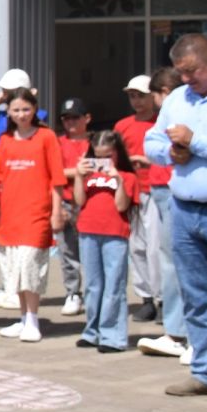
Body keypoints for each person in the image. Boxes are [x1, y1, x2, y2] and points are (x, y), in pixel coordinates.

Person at [146, 33, 207, 403]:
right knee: (196, 298)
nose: (186, 80)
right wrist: (173, 152)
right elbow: (151, 143)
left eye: (192, 72)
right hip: (185, 208)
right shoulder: (176, 98)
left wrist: (196, 142)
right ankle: (206, 373)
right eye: (181, 73)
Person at [0, 89, 65, 342]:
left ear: (35, 109)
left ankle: (33, 318)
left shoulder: (47, 137)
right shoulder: (5, 139)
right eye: (16, 110)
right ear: (9, 112)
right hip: (10, 214)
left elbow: (57, 178)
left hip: (37, 212)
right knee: (14, 269)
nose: (21, 115)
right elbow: (0, 178)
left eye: (26, 109)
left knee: (31, 267)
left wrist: (57, 211)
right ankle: (22, 318)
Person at [133, 68, 190, 359]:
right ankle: (177, 332)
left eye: (154, 96)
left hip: (174, 191)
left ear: (164, 93)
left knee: (181, 263)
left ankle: (185, 335)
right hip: (161, 189)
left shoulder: (183, 112)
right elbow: (152, 144)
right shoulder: (169, 116)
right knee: (168, 260)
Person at [72, 130, 136, 353]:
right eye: (98, 156)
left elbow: (121, 206)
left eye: (107, 155)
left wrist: (118, 179)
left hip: (115, 233)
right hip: (88, 230)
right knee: (92, 284)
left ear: (117, 152)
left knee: (114, 285)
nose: (102, 161)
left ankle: (113, 336)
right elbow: (79, 200)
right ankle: (92, 331)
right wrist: (79, 176)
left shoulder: (127, 176)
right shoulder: (89, 175)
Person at [117, 74, 166, 323]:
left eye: (141, 96)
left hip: (155, 189)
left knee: (156, 247)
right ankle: (146, 297)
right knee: (136, 247)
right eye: (132, 96)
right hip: (132, 191)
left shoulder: (161, 123)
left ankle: (162, 299)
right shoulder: (123, 126)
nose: (137, 101)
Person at [53, 98, 92, 316]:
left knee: (90, 250)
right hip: (66, 200)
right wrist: (77, 171)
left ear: (87, 118)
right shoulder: (58, 143)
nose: (70, 122)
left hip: (90, 202)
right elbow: (55, 172)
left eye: (75, 117)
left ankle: (92, 292)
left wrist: (76, 171)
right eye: (66, 118)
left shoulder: (94, 142)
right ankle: (72, 292)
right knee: (67, 251)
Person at [0, 68, 47, 150]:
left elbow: (36, 118)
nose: (5, 94)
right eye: (4, 91)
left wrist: (29, 98)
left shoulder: (37, 114)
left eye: (9, 91)